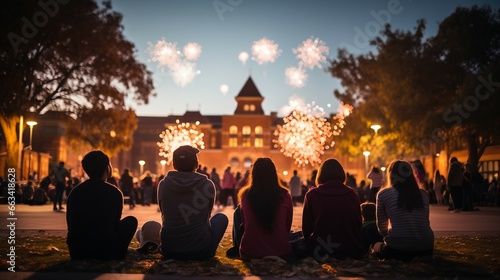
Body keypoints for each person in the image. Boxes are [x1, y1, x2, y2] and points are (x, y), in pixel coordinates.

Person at [157, 145, 228, 261]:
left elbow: (163, 212)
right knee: (221, 218)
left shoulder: (163, 184)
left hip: (169, 249)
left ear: (174, 164)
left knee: (152, 226)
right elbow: (207, 214)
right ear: (196, 164)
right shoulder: (208, 185)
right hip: (201, 250)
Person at [66, 150, 138, 260]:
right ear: (107, 168)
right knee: (131, 221)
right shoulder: (114, 193)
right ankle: (120, 251)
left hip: (78, 251)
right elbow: (114, 223)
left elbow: (70, 222)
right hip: (106, 250)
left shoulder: (75, 192)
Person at [229, 158, 293, 260]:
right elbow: (287, 227)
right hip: (281, 252)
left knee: (238, 211)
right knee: (296, 235)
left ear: (253, 174)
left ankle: (237, 246)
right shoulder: (285, 195)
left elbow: (245, 225)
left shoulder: (245, 195)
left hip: (250, 252)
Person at [302, 158, 365, 260]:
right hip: (350, 250)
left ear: (320, 175)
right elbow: (358, 225)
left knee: (294, 237)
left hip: (319, 250)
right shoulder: (352, 195)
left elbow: (306, 229)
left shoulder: (312, 195)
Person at [374, 160, 434, 261]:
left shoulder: (384, 194)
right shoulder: (423, 194)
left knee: (376, 245)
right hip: (426, 248)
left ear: (391, 175)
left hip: (398, 250)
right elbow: (423, 221)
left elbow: (382, 228)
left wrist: (396, 236)